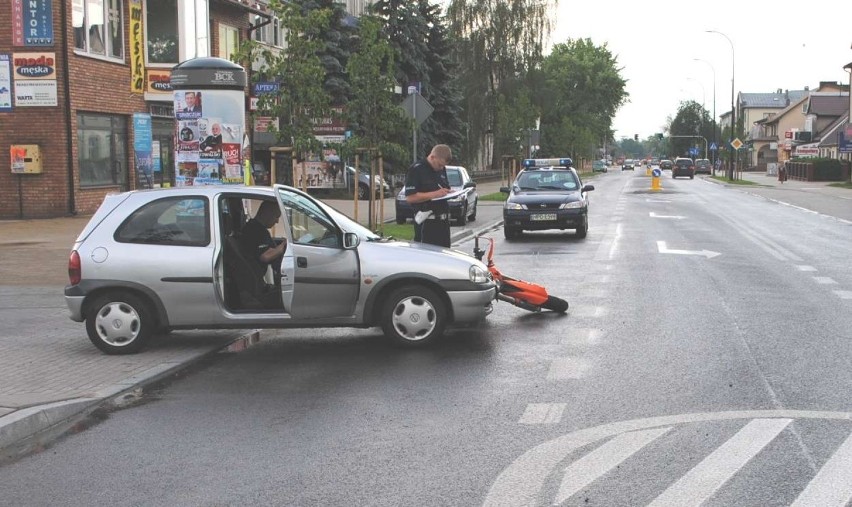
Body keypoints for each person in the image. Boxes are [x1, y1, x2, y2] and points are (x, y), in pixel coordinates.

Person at [404, 144, 453, 247]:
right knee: (428, 258)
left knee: (446, 259)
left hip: (443, 223)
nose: (441, 168)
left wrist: (447, 192)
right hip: (427, 223)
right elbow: (410, 197)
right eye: (439, 165)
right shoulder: (417, 170)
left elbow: (443, 187)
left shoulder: (441, 169)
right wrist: (435, 194)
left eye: (443, 166)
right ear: (432, 157)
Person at [241, 200, 287, 282]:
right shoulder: (255, 231)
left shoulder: (257, 228)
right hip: (258, 277)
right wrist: (283, 246)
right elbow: (265, 256)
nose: (277, 221)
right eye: (276, 216)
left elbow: (267, 248)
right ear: (268, 213)